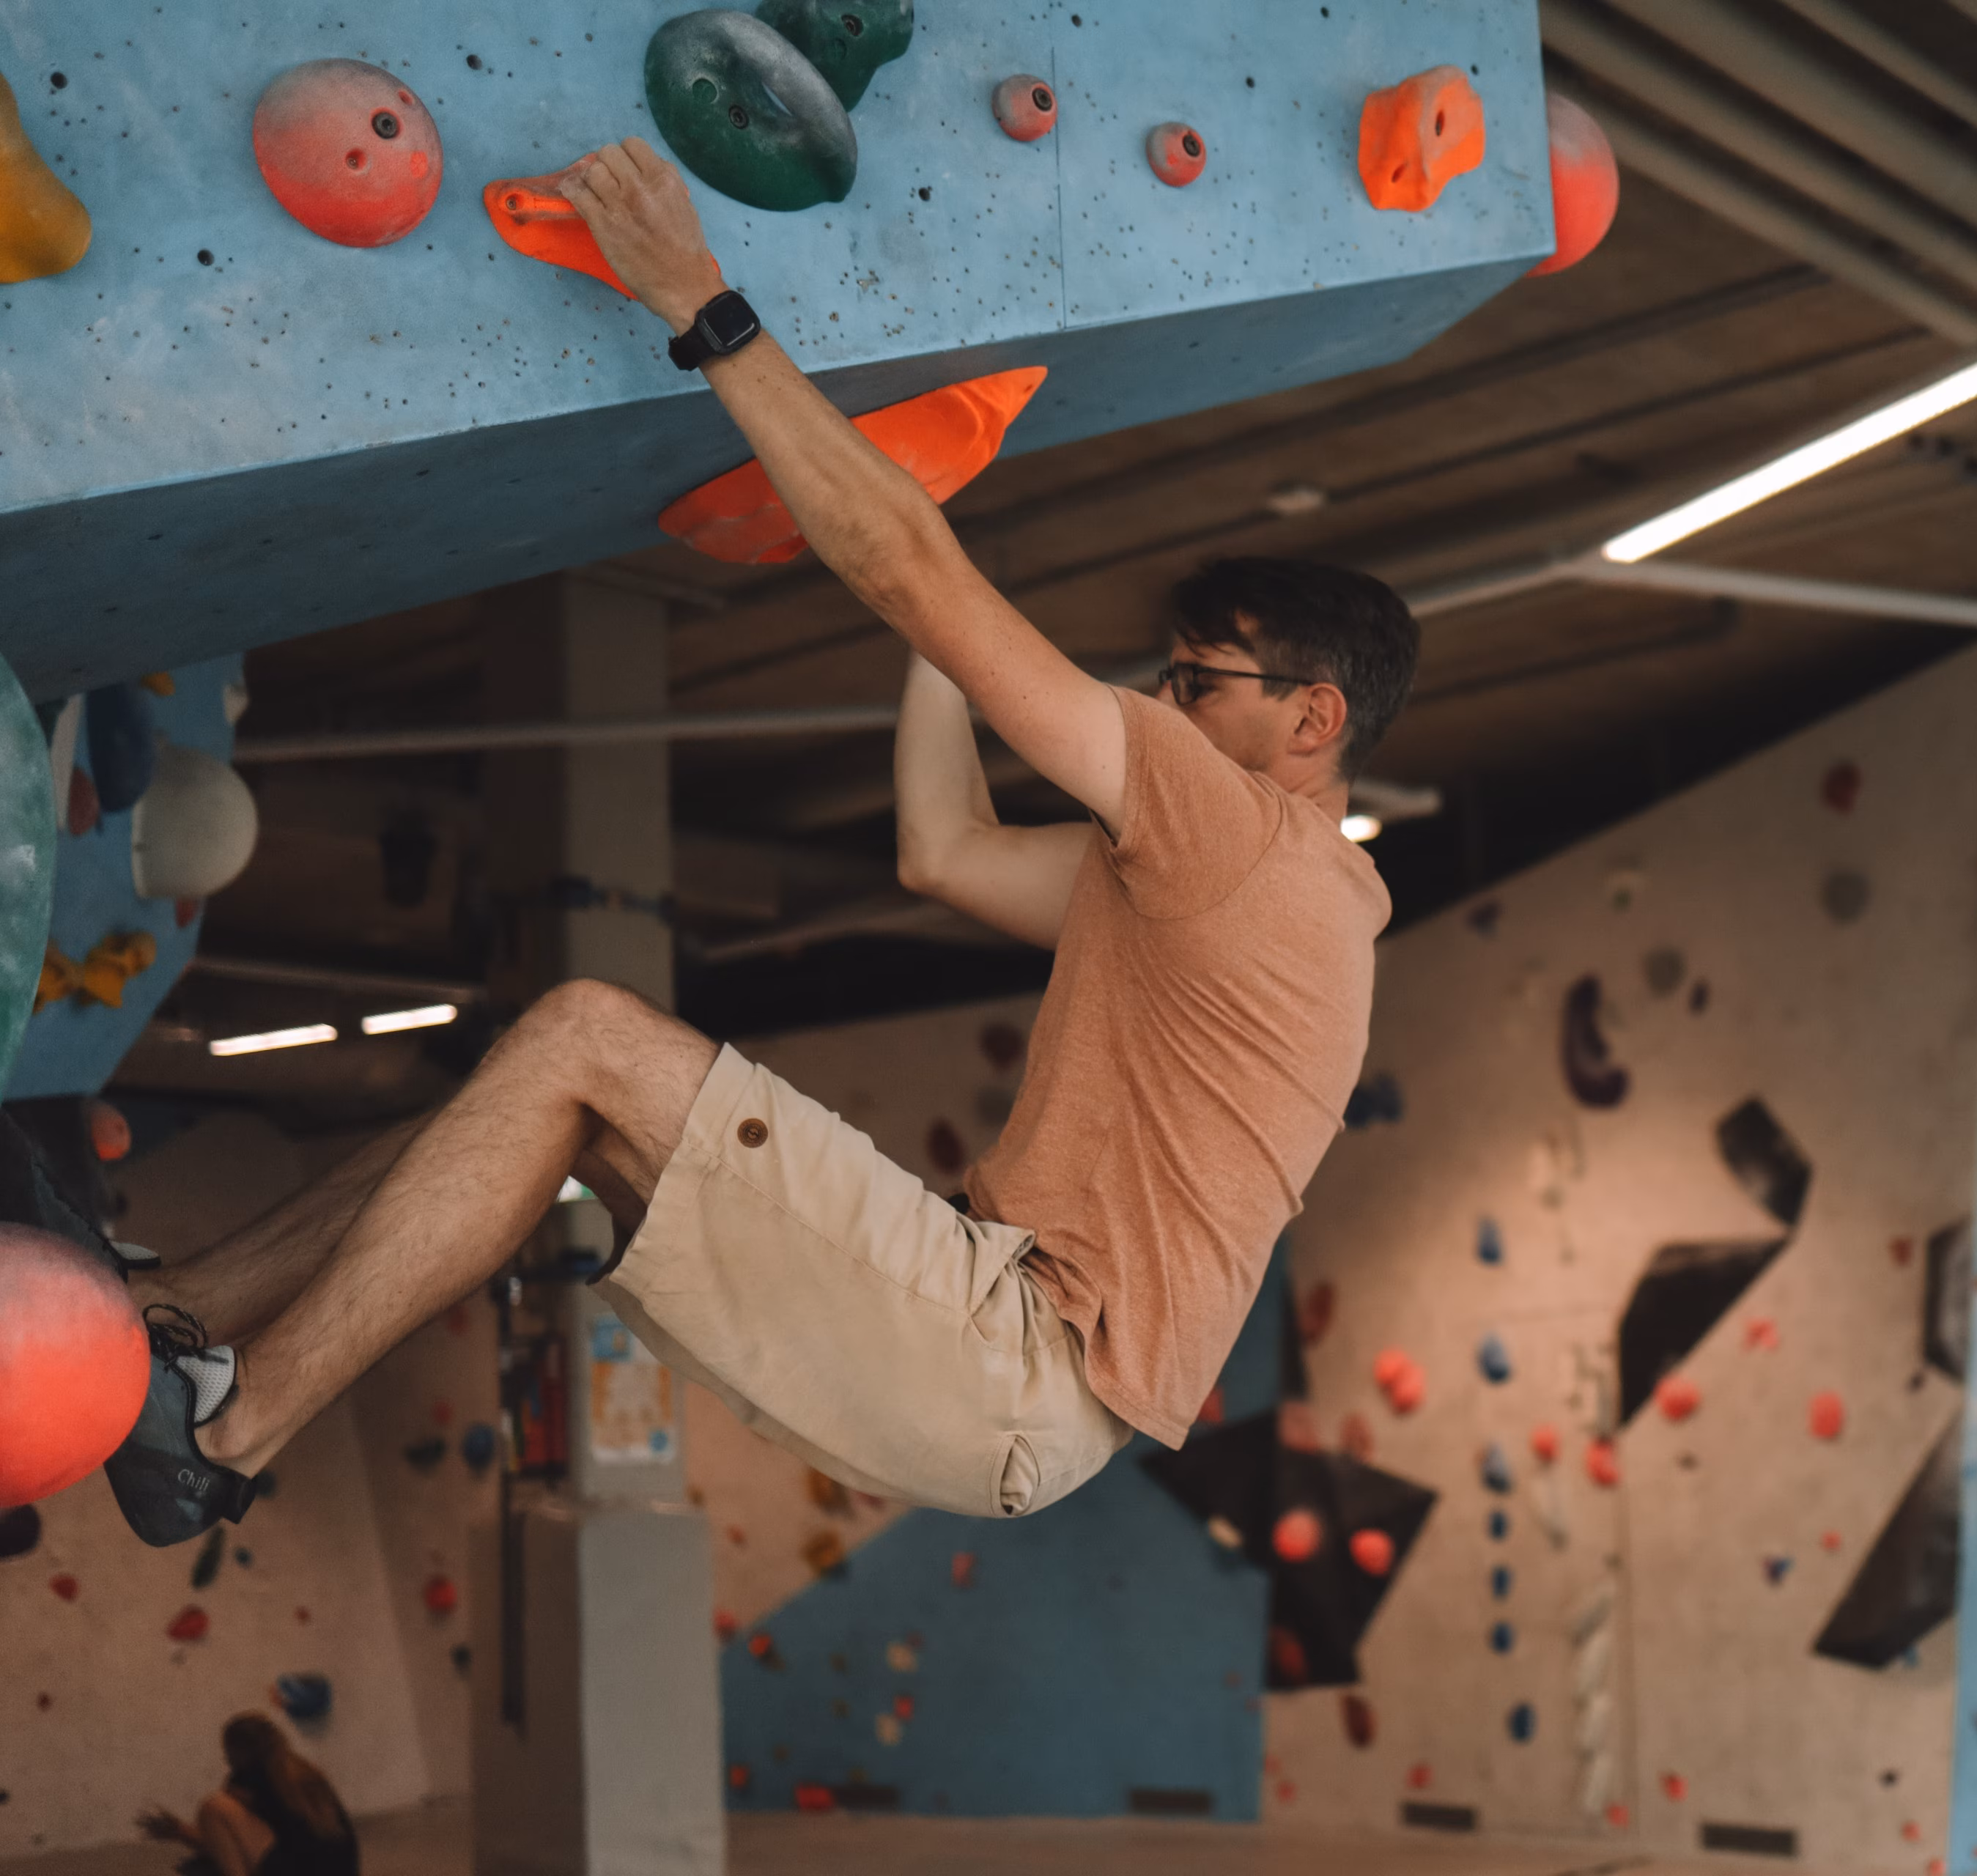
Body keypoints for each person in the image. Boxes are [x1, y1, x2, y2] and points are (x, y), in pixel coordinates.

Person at [99, 136, 1416, 1546]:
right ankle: (164, 1319)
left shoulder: (1241, 837)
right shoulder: (1283, 910)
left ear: (1311, 718)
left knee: (586, 1032)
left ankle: (233, 1425)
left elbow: (907, 569)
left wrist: (702, 303)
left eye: (1198, 682)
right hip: (1004, 1389)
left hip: (1009, 1353)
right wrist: (955, 646)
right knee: (536, 1107)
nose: (1164, 703)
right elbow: (945, 848)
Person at [136, 1713, 358, 1876]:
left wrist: (181, 1833)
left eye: (227, 1754)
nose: (225, 1761)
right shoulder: (303, 1771)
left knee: (213, 1808)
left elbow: (226, 1846)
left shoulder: (245, 1781)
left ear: (238, 1752)